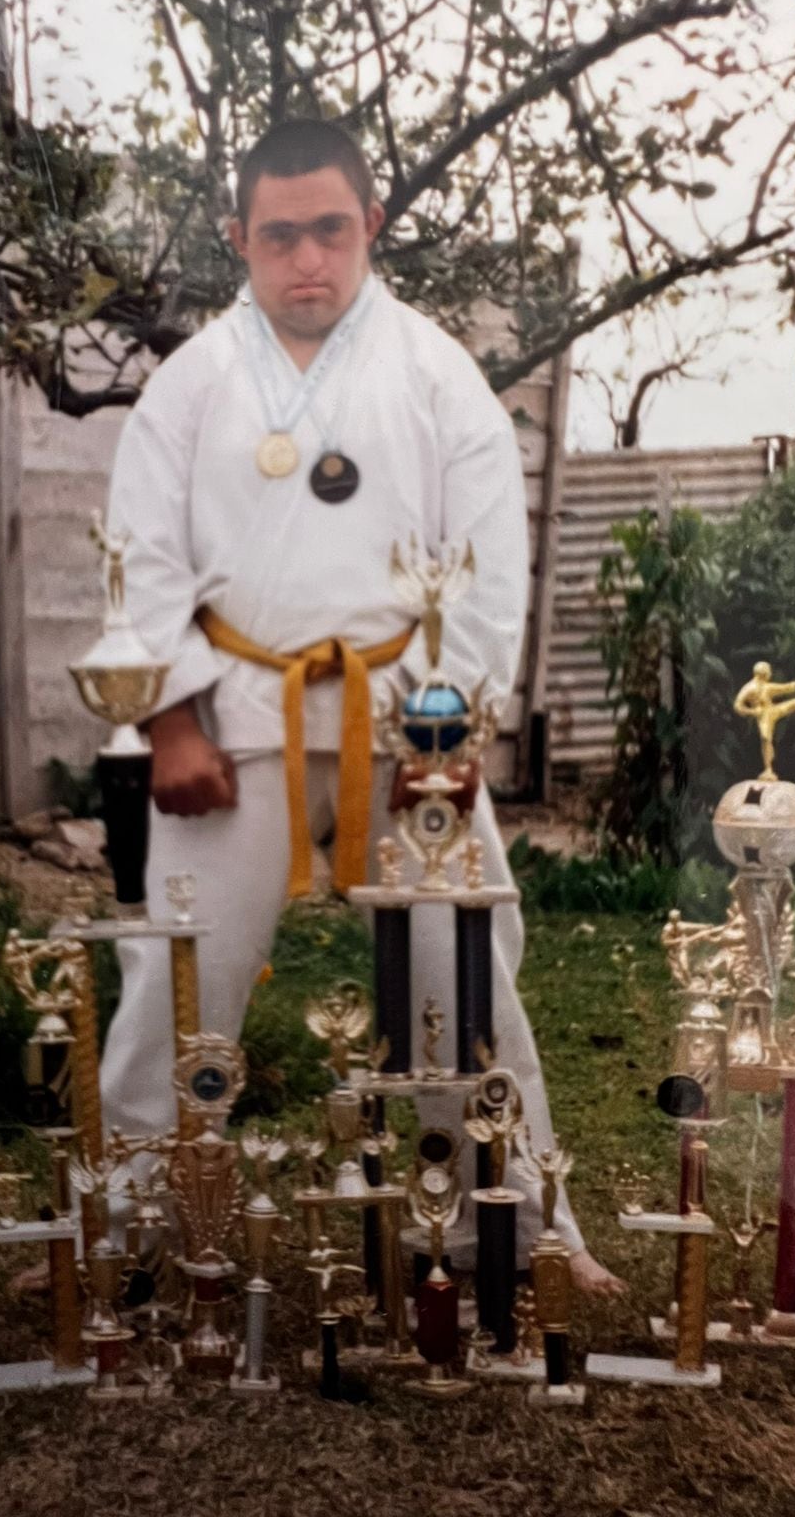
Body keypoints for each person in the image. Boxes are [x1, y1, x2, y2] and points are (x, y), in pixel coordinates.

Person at [99, 117, 621, 1293]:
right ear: (239, 237)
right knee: (178, 978)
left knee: (466, 968)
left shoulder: (440, 378)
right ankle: (133, 1225)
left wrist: (451, 730)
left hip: (405, 723)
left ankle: (522, 1223)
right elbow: (140, 554)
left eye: (330, 230)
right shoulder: (188, 387)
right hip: (233, 720)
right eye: (278, 237)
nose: (307, 262)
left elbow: (487, 567)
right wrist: (170, 718)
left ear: (371, 224)